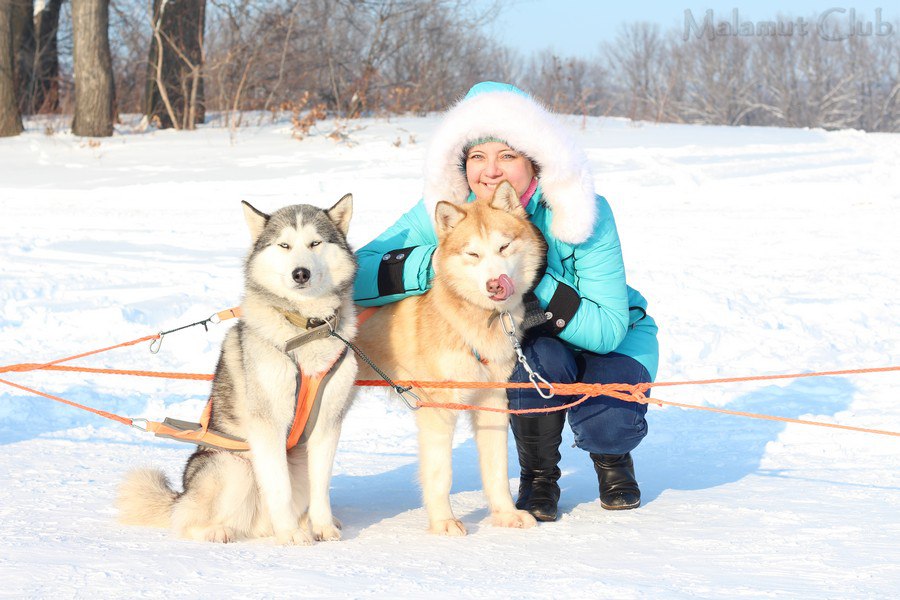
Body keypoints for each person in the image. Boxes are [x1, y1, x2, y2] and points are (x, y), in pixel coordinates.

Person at [353, 81, 659, 521]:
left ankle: (613, 460)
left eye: (507, 155)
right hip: (534, 344)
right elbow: (359, 271)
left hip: (608, 337)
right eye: (477, 157)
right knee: (533, 360)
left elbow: (608, 329)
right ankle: (538, 476)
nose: (490, 171)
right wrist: (443, 261)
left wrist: (528, 281)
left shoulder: (578, 208)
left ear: (535, 159)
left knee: (607, 407)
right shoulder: (450, 210)